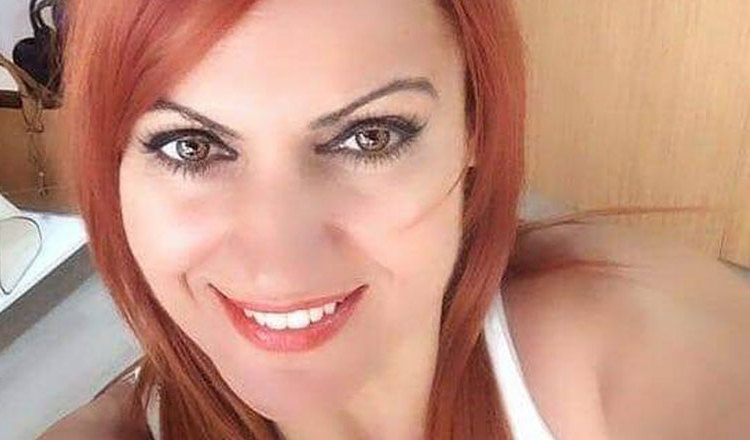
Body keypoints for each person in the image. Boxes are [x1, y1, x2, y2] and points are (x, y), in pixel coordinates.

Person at [40, 0, 750, 438]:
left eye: (369, 136)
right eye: (189, 146)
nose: (277, 263)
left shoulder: (635, 353)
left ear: (475, 130)